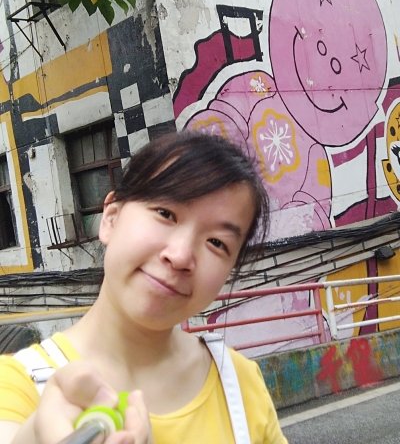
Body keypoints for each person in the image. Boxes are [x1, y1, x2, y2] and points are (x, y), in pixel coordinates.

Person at [0, 131, 288, 444]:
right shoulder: (14, 385)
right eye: (165, 213)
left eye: (217, 243)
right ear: (111, 218)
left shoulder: (240, 383)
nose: (180, 256)